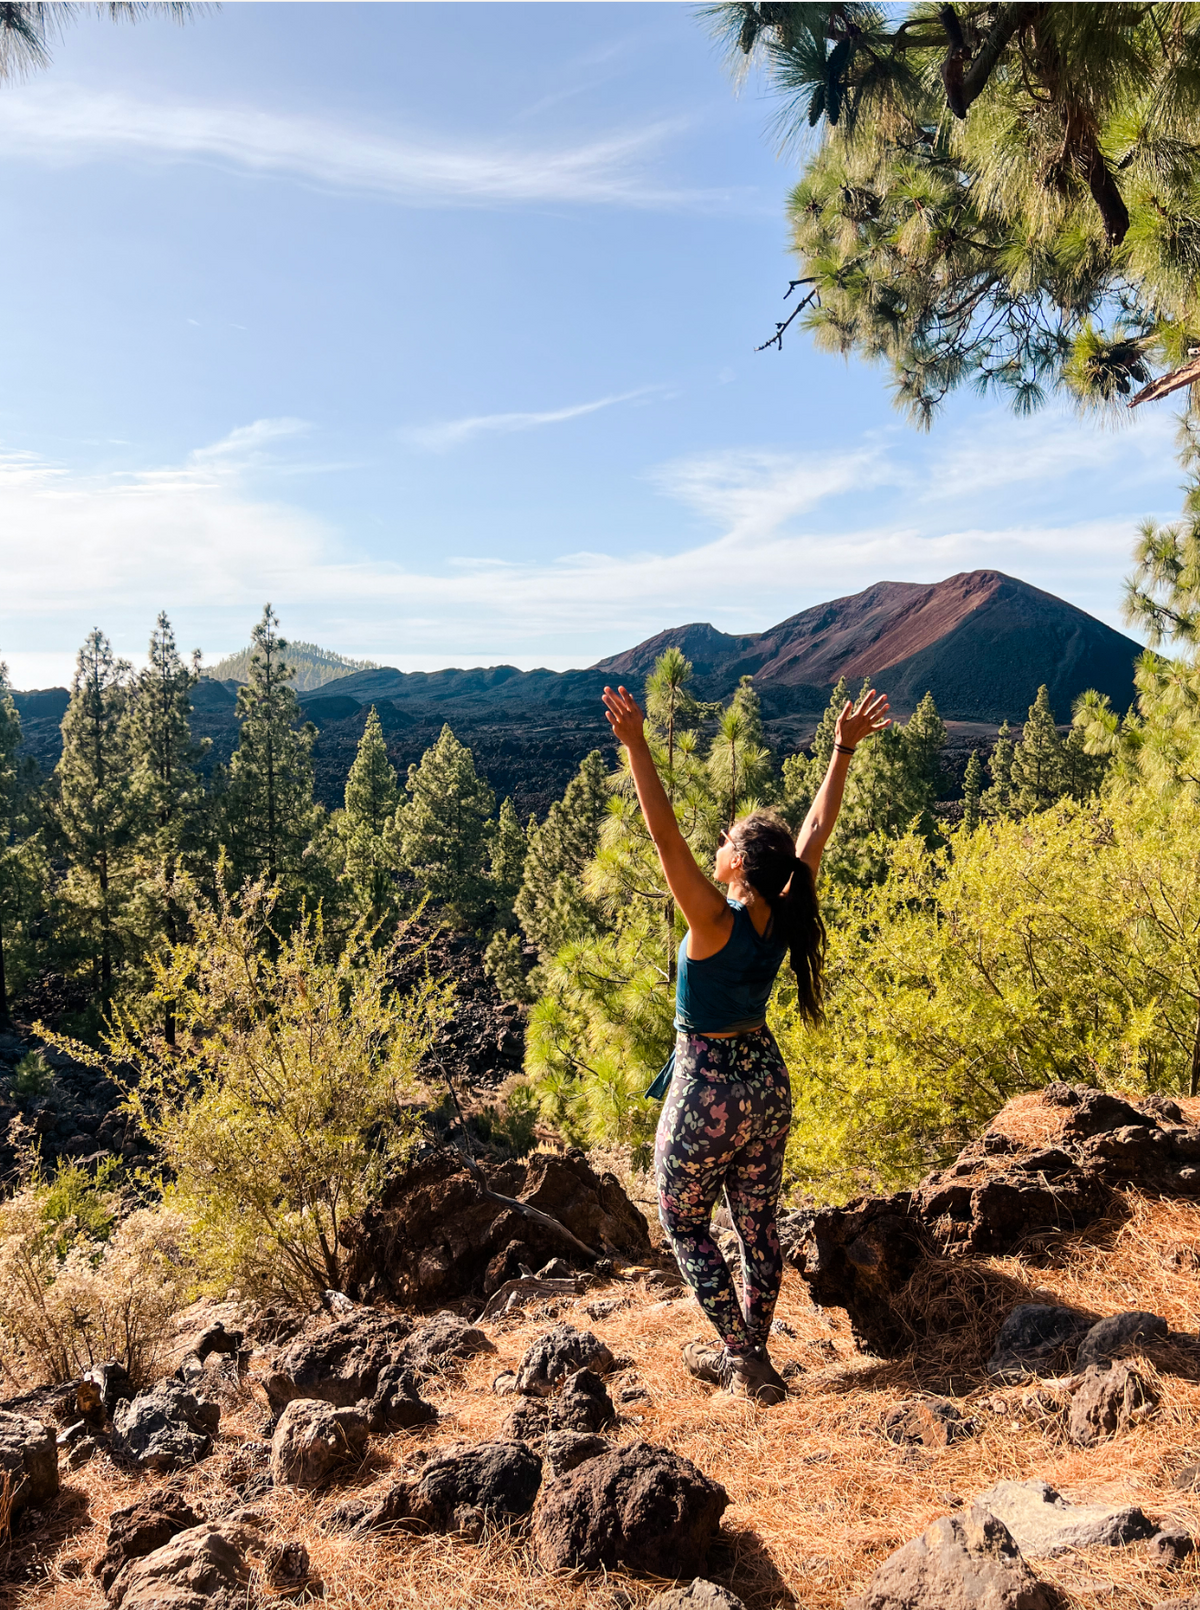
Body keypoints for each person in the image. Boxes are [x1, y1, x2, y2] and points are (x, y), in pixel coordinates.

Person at [601, 681, 890, 1404]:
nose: (719, 844)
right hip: (765, 1082)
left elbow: (664, 836)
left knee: (683, 1220)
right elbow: (817, 830)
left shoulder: (711, 920)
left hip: (707, 1091)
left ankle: (742, 1358)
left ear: (739, 867)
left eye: (728, 843)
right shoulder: (782, 914)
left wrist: (637, 745)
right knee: (756, 1225)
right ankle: (750, 1349)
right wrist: (842, 749)